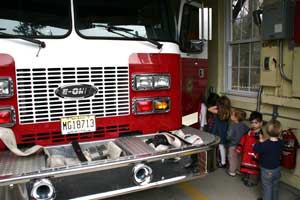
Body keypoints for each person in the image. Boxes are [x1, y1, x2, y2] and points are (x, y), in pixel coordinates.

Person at [254, 119, 283, 200]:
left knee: (267, 188)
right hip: (277, 169)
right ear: (279, 131)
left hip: (267, 170)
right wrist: (264, 141)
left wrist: (260, 141)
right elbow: (273, 144)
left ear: (267, 131)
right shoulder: (281, 142)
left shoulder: (265, 144)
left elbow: (256, 148)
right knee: (275, 186)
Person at [236, 111, 263, 187]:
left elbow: (262, 145)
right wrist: (239, 147)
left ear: (261, 123)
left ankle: (253, 181)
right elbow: (243, 139)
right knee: (246, 167)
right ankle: (247, 177)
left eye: (256, 123)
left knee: (253, 168)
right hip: (246, 153)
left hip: (254, 154)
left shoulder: (260, 135)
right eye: (252, 123)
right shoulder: (249, 131)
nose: (253, 125)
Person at [209, 95, 231, 168]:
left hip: (216, 131)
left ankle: (216, 160)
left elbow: (209, 109)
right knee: (222, 147)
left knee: (216, 146)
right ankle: (223, 162)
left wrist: (216, 106)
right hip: (223, 132)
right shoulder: (227, 112)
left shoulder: (218, 111)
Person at [227, 109, 249, 176]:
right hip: (241, 146)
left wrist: (227, 138)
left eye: (232, 115)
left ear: (236, 118)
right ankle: (239, 170)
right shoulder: (244, 126)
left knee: (232, 158)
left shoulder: (232, 126)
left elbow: (229, 136)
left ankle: (232, 171)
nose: (231, 116)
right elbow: (247, 133)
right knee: (239, 158)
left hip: (233, 145)